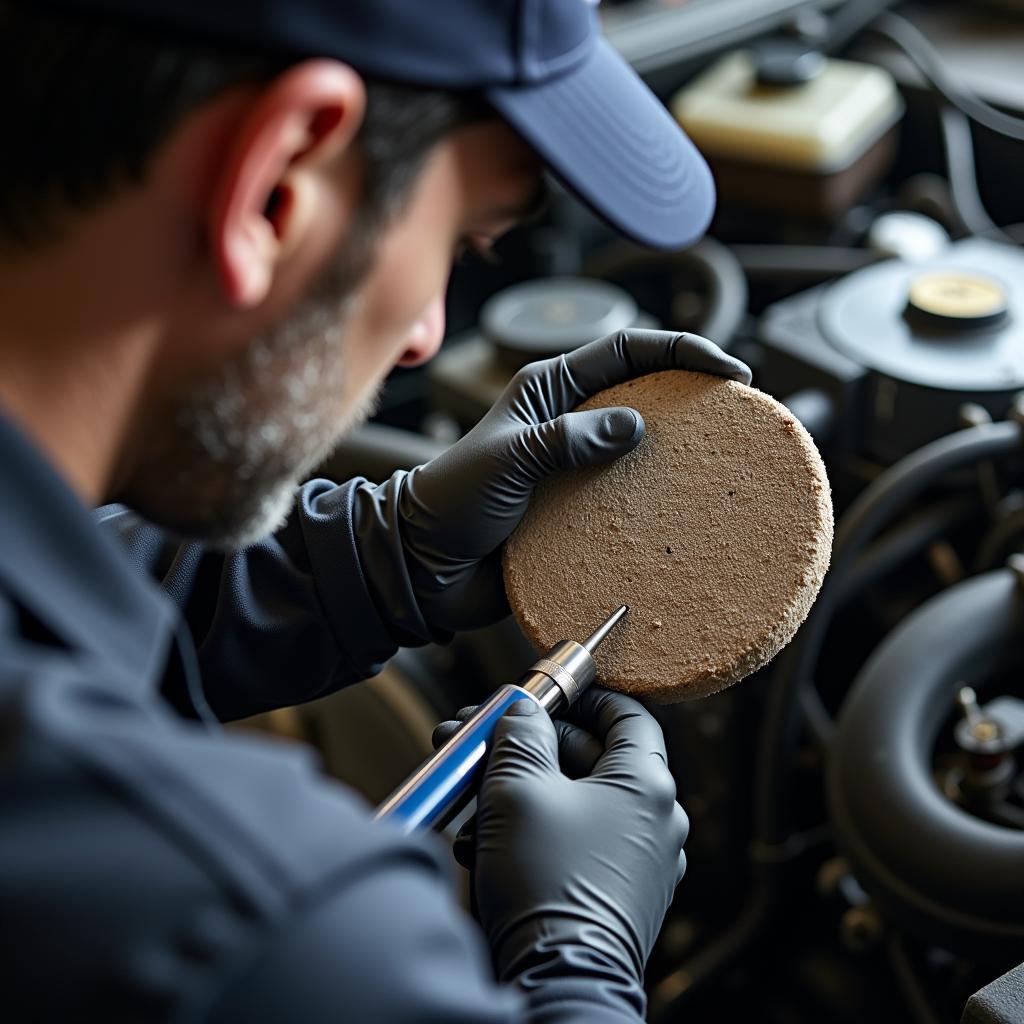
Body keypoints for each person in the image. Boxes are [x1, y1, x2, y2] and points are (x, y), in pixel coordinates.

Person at [0, 1, 752, 1020]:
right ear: (277, 184)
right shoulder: (249, 927)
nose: (424, 337)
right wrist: (575, 964)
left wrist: (369, 557)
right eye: (462, 239)